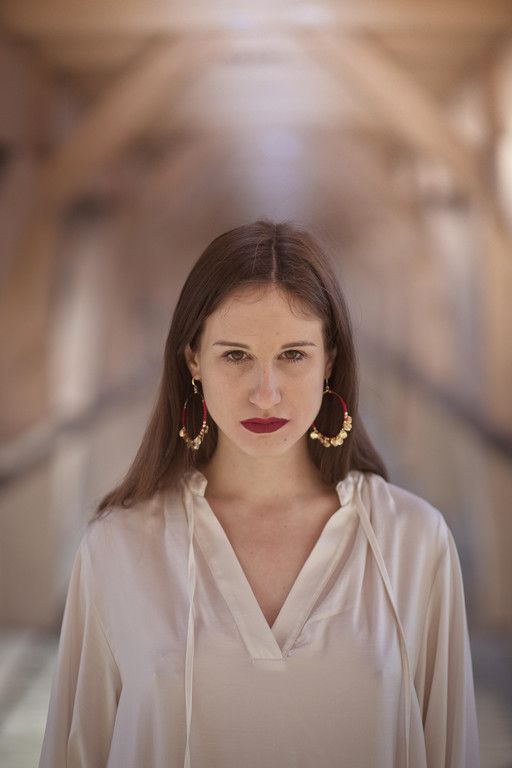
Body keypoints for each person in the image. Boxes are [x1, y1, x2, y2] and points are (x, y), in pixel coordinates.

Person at [38, 219, 480, 768]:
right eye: (236, 355)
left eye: (293, 355)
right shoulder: (117, 547)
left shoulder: (413, 543)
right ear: (193, 360)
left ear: (330, 360)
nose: (266, 394)